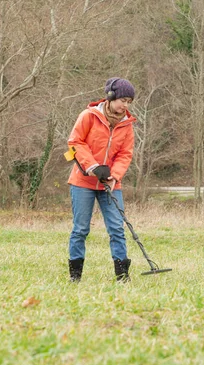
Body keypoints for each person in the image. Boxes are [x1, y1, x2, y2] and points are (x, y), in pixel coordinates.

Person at [66, 77, 136, 283]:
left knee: (117, 228)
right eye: (122, 100)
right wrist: (92, 166)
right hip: (83, 182)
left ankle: (122, 276)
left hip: (111, 184)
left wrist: (115, 176)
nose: (125, 105)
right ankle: (75, 276)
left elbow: (125, 154)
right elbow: (75, 142)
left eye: (129, 102)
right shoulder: (89, 116)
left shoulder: (127, 124)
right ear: (111, 96)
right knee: (80, 229)